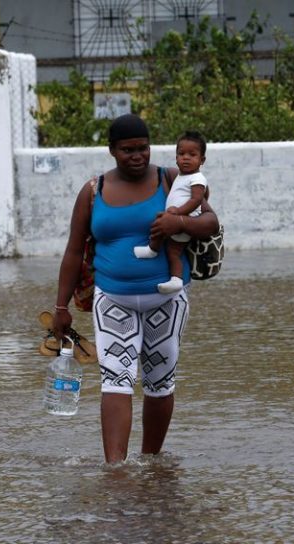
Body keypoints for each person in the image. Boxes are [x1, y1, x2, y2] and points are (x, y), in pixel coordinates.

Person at [52, 113, 220, 464]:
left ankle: (151, 462)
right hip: (113, 298)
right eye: (128, 150)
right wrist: (60, 307)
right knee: (116, 377)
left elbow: (211, 222)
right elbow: (72, 250)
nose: (137, 156)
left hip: (168, 301)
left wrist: (180, 221)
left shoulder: (171, 179)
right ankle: (116, 470)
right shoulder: (93, 190)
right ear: (112, 150)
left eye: (143, 148)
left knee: (160, 379)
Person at [133, 131, 208, 294]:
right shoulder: (181, 176)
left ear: (202, 160)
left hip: (184, 220)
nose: (186, 158)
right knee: (159, 224)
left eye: (192, 154)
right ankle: (152, 249)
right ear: (176, 157)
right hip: (174, 216)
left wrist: (179, 214)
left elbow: (196, 200)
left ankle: (176, 279)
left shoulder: (198, 178)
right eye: (181, 154)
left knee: (174, 252)